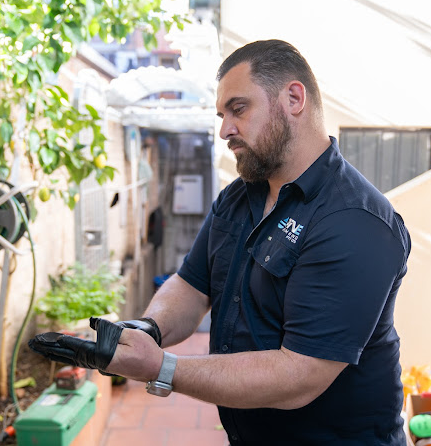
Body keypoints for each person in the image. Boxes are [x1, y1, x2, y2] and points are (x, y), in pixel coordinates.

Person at [30, 39, 411, 445]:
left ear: (294, 98)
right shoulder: (241, 194)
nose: (225, 129)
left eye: (239, 109)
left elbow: (300, 375)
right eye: (222, 114)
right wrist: (148, 328)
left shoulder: (353, 220)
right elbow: (191, 285)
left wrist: (161, 366)